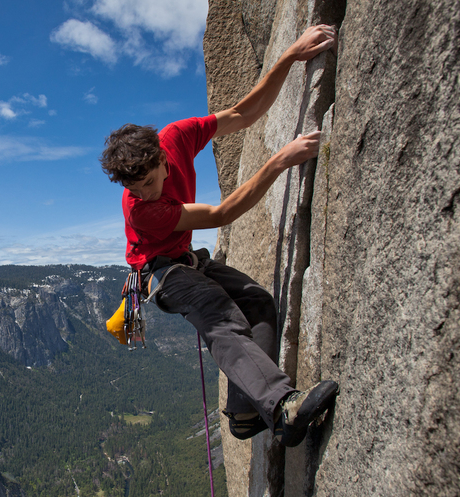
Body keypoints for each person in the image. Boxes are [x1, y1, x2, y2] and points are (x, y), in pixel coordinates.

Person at [100, 25, 339, 447]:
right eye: (132, 189)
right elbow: (221, 213)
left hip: (187, 259)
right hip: (160, 273)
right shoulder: (141, 210)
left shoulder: (176, 137)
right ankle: (282, 405)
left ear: (160, 155)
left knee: (257, 302)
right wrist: (278, 161)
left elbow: (244, 114)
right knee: (220, 312)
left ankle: (246, 412)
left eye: (149, 182)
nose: (142, 194)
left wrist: (289, 56)